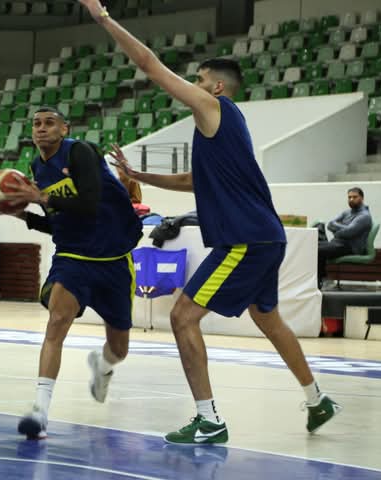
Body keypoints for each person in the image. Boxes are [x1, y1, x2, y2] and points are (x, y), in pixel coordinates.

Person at [79, 0, 341, 443]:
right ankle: (318, 400)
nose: (194, 86)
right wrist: (140, 175)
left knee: (183, 317)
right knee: (268, 320)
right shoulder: (225, 131)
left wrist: (102, 17)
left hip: (244, 240)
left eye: (199, 79)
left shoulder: (213, 107)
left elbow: (150, 65)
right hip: (265, 238)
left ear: (217, 87)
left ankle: (209, 419)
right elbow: (192, 181)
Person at [1, 107, 143, 440]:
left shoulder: (80, 152)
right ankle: (39, 412)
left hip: (114, 257)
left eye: (49, 123)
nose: (41, 128)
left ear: (64, 129)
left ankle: (102, 366)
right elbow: (60, 222)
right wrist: (25, 216)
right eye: (36, 123)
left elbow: (88, 204)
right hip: (73, 257)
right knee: (56, 323)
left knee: (119, 348)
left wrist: (40, 196)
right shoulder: (37, 167)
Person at [317, 187, 372, 287]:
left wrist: (337, 231)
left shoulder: (364, 216)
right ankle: (319, 278)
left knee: (318, 250)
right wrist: (343, 228)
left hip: (350, 247)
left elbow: (349, 232)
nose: (351, 199)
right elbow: (330, 224)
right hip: (338, 243)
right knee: (313, 245)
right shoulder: (347, 212)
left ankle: (322, 279)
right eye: (349, 197)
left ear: (362, 198)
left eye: (355, 197)